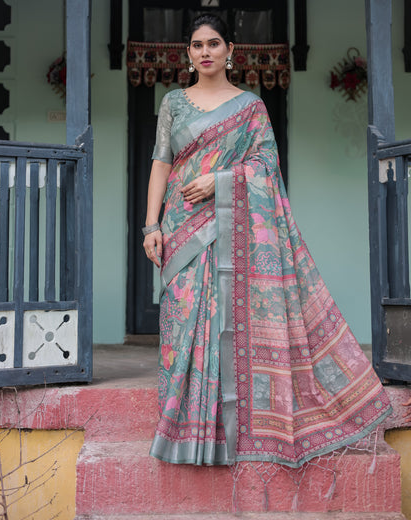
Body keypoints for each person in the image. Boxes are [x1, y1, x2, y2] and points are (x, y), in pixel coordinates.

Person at [143, 13, 392, 467]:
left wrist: (220, 181)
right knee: (182, 324)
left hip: (229, 225)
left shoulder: (251, 108)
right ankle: (180, 428)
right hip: (181, 227)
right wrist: (151, 225)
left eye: (214, 44)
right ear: (188, 53)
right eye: (197, 45)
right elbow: (162, 163)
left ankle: (222, 434)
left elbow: (266, 170)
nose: (205, 52)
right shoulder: (173, 103)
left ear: (230, 50)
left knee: (225, 324)